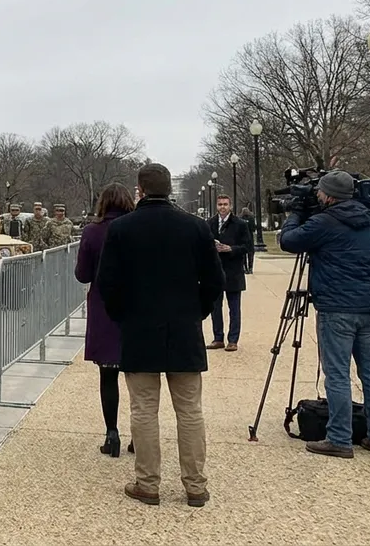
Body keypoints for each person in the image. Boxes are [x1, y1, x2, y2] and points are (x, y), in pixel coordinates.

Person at [96, 163, 223, 508]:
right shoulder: (196, 227)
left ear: (140, 189)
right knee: (190, 411)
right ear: (169, 189)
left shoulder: (121, 229)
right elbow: (215, 281)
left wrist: (123, 316)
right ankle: (195, 485)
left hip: (139, 328)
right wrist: (196, 312)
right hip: (184, 328)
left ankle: (148, 483)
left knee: (144, 410)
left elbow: (107, 283)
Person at [278, 170, 370, 458]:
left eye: (320, 191)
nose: (317, 195)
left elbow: (288, 240)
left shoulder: (323, 222)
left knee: (338, 374)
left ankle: (340, 438)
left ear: (329, 196)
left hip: (337, 308)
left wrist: (296, 214)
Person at [74, 183, 136, 458]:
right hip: (137, 308)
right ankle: (140, 433)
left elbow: (83, 275)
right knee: (139, 377)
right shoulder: (138, 228)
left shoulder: (93, 231)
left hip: (105, 307)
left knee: (108, 375)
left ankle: (112, 433)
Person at [207, 195, 252, 351]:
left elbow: (247, 246)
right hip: (215, 271)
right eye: (220, 204)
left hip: (233, 271)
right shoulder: (210, 223)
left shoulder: (240, 224)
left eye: (225, 204)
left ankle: (233, 340)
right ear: (216, 206)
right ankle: (218, 338)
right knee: (215, 307)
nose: (222, 207)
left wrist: (231, 249)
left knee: (234, 308)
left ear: (230, 206)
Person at [240, 206, 258, 274]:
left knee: (243, 254)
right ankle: (250, 268)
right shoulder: (251, 218)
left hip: (242, 239)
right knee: (250, 254)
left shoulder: (240, 218)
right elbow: (253, 228)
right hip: (250, 238)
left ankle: (245, 268)